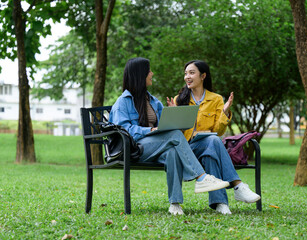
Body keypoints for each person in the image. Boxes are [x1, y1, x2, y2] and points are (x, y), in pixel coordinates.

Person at [109, 57, 230, 215]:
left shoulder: (153, 101)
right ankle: (201, 177)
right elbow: (123, 129)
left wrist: (175, 116)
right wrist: (150, 131)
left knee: (173, 152)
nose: (152, 73)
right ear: (140, 75)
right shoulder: (123, 102)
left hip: (157, 147)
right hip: (135, 148)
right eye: (149, 71)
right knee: (173, 136)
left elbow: (167, 127)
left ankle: (175, 203)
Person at [167, 60, 261, 215]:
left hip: (205, 146)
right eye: (185, 73)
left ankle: (221, 203)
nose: (187, 77)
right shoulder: (179, 99)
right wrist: (175, 114)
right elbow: (174, 133)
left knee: (212, 146)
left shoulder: (216, 99)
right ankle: (238, 186)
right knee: (213, 143)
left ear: (203, 76)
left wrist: (224, 113)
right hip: (184, 149)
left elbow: (218, 131)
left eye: (191, 73)